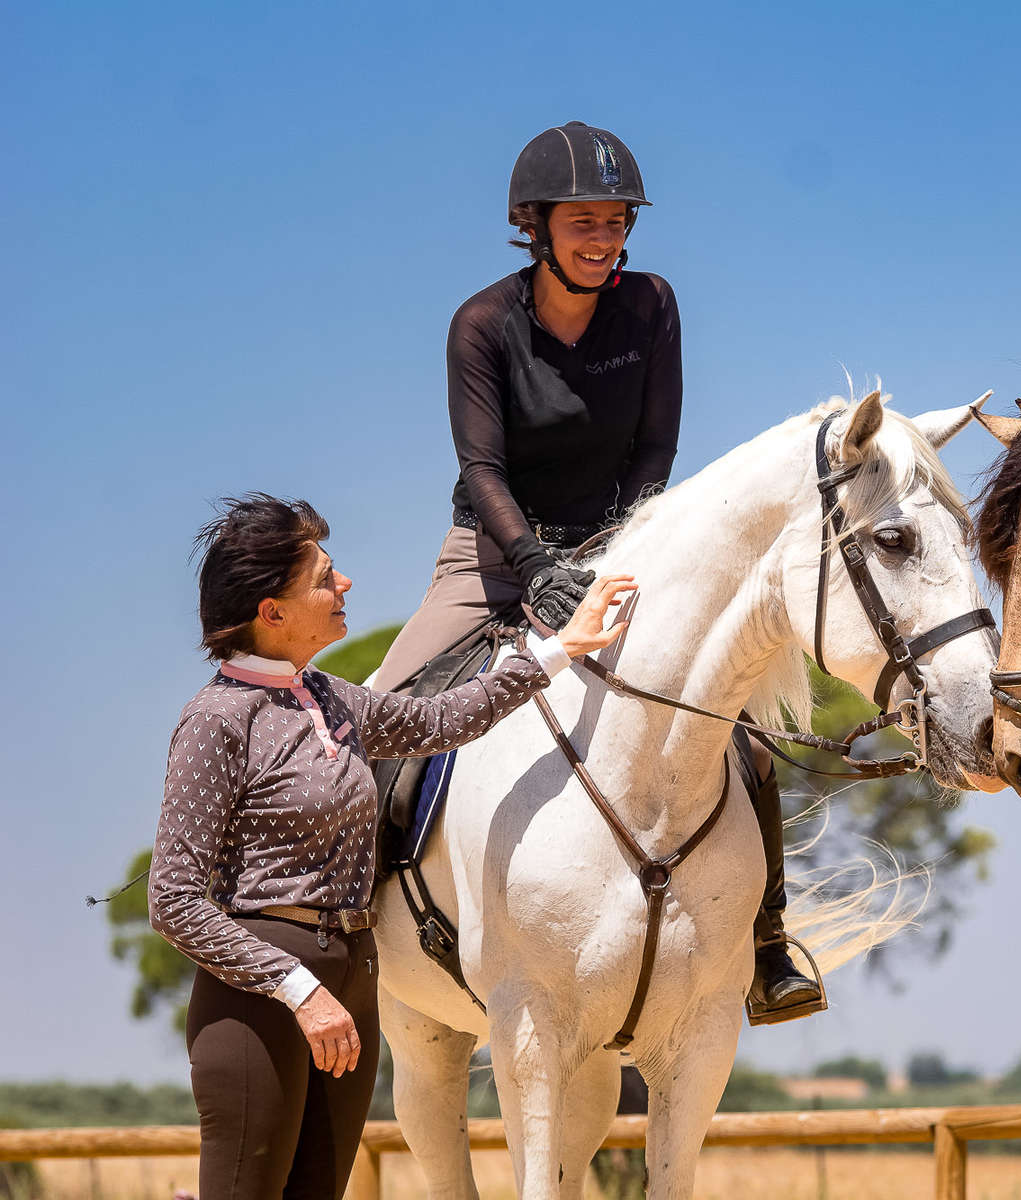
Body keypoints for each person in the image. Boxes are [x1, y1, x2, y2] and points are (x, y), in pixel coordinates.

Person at [369, 121, 820, 1023]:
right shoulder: (483, 325)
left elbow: (657, 446)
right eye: (583, 220)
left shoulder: (652, 306)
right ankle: (343, 921)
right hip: (493, 558)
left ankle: (767, 942)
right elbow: (481, 470)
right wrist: (534, 565)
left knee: (731, 726)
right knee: (383, 719)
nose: (603, 237)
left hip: (616, 549)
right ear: (534, 225)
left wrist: (622, 548)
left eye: (616, 219)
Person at [152, 494, 636, 1197]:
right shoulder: (214, 720)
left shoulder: (331, 698)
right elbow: (172, 903)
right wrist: (298, 992)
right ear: (272, 611)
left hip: (352, 976)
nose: (344, 584)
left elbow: (446, 718)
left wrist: (563, 648)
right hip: (261, 996)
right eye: (324, 577)